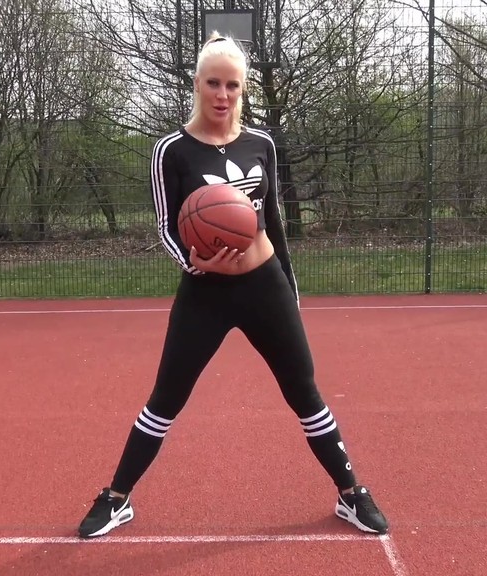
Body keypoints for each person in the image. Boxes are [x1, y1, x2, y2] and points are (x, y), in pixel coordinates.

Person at [77, 32, 389, 539]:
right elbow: (165, 227)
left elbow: (274, 222)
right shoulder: (171, 150)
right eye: (213, 83)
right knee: (166, 398)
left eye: (233, 86)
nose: (222, 95)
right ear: (197, 84)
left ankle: (351, 493)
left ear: (243, 90)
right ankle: (116, 497)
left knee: (304, 392)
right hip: (205, 294)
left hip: (265, 287)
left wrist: (289, 289)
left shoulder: (261, 143)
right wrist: (198, 263)